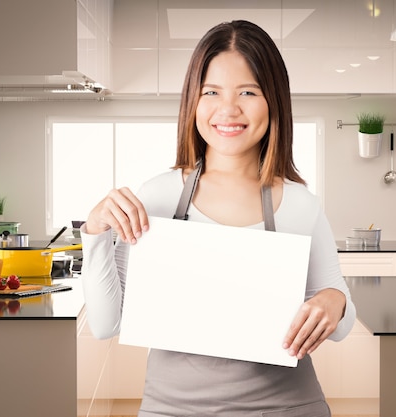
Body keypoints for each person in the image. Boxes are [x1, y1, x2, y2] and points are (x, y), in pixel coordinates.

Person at [81, 20, 356, 417]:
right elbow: (107, 324)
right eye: (211, 92)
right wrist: (95, 232)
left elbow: (343, 327)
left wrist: (335, 301)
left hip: (288, 408)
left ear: (273, 100)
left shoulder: (300, 204)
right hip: (172, 411)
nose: (229, 109)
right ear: (193, 100)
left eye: (248, 91)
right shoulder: (158, 197)